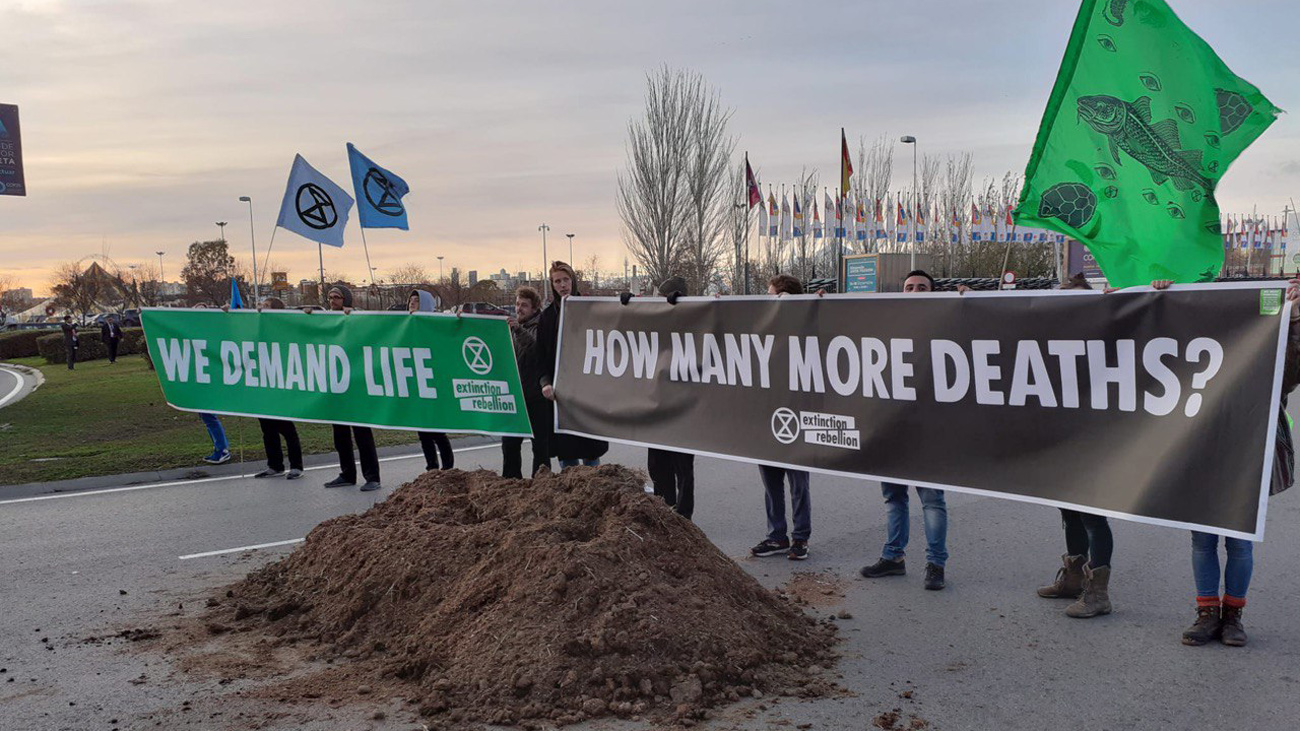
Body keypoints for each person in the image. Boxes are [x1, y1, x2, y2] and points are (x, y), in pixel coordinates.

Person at [1181, 278, 1300, 647]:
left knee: (1239, 544)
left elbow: (1290, 374)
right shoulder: (1192, 350)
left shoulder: (1268, 347)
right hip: (1201, 451)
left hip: (1248, 454)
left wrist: (1294, 321)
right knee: (1203, 541)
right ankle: (1206, 613)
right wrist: (1149, 296)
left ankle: (1233, 616)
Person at [860, 270, 948, 590]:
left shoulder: (946, 323)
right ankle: (893, 557)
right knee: (894, 497)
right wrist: (820, 304)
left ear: (933, 293)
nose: (914, 291)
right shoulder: (889, 324)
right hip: (892, 428)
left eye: (922, 287)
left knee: (932, 501)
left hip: (928, 431)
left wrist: (967, 301)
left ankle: (936, 564)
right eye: (909, 287)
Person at [1033, 274, 1115, 617]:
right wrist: (966, 301)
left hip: (1096, 440)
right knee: (1069, 511)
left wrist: (1136, 298)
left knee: (1093, 516)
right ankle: (1073, 579)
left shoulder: (1108, 331)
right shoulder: (1051, 335)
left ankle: (1098, 594)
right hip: (1062, 438)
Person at [750, 274, 812, 561]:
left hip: (796, 414)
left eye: (772, 294)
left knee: (799, 484)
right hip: (766, 414)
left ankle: (801, 537)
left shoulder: (805, 325)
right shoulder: (764, 328)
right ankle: (777, 536)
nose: (769, 300)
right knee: (771, 483)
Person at [537, 261, 608, 469]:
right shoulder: (547, 318)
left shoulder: (590, 310)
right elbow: (541, 357)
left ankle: (594, 483)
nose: (562, 285)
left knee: (590, 449)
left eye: (566, 280)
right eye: (557, 281)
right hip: (560, 395)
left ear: (573, 281)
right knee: (566, 452)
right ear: (552, 285)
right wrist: (545, 383)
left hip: (587, 392)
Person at [320, 285, 382, 492]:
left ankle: (372, 477)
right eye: (330, 297)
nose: (332, 300)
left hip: (356, 386)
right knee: (340, 435)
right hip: (336, 386)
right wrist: (307, 313)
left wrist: (353, 315)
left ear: (345, 299)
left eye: (337, 297)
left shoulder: (356, 318)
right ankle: (347, 473)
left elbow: (373, 329)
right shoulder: (325, 319)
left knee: (362, 434)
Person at [645, 275, 697, 519]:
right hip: (658, 406)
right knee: (657, 465)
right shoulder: (656, 322)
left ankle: (683, 518)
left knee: (682, 467)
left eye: (662, 297)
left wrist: (683, 311)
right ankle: (664, 510)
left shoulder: (694, 321)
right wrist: (626, 305)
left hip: (684, 408)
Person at [502, 286, 552, 478]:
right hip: (515, 396)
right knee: (509, 444)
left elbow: (535, 351)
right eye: (517, 304)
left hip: (536, 395)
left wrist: (518, 330)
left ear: (534, 308)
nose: (519, 309)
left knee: (540, 446)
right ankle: (511, 483)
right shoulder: (510, 329)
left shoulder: (540, 327)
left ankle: (541, 484)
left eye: (524, 305)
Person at [252, 297, 303, 480]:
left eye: (266, 306)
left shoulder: (284, 329)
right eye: (262, 305)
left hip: (280, 384)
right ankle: (274, 465)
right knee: (267, 429)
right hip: (263, 385)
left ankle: (296, 466)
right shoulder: (258, 328)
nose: (262, 308)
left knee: (286, 428)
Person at [408, 289, 456, 472]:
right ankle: (432, 468)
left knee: (437, 431)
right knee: (423, 432)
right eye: (411, 300)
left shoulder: (436, 325)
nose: (412, 303)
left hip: (434, 384)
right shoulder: (404, 325)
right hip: (417, 385)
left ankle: (448, 468)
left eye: (417, 300)